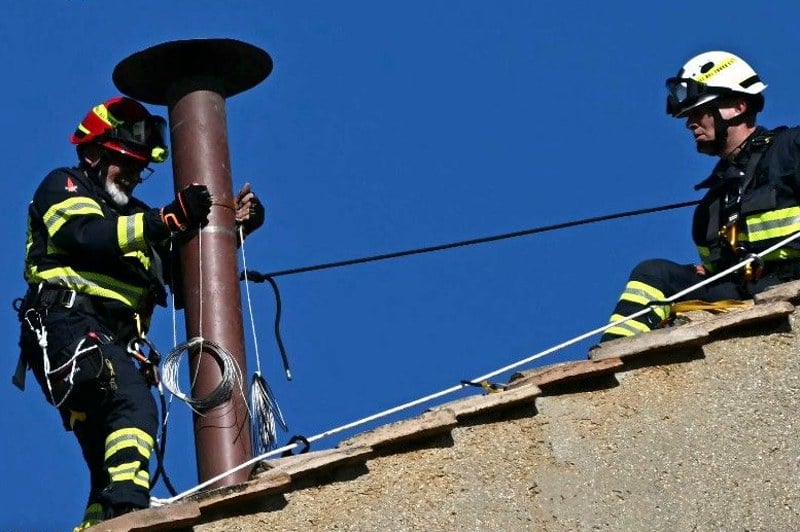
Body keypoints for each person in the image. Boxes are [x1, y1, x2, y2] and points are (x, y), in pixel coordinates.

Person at [14, 96, 265, 529]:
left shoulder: (139, 217)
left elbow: (187, 281)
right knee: (133, 406)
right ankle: (132, 513)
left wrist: (234, 232)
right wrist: (163, 221)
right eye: (122, 162)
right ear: (92, 153)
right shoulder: (64, 186)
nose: (131, 174)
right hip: (69, 325)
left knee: (106, 462)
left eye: (137, 166)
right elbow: (83, 235)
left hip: (106, 343)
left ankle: (103, 522)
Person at [600, 50, 800, 343]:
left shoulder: (791, 149)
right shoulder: (711, 207)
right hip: (744, 294)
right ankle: (613, 361)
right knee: (654, 274)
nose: (690, 123)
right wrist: (709, 272)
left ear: (737, 106)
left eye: (698, 112)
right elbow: (724, 273)